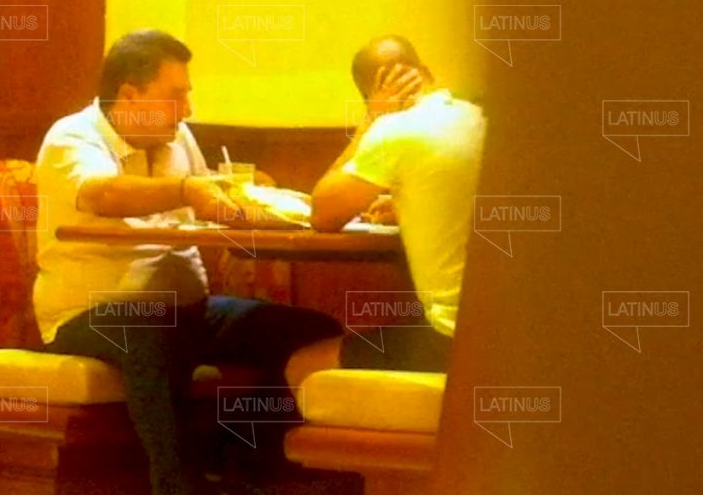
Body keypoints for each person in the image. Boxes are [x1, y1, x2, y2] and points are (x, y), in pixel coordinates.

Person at [33, 29, 341, 495]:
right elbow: (101, 194)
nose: (188, 109)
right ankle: (176, 486)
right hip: (87, 314)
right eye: (176, 96)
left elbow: (210, 197)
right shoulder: (72, 136)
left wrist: (250, 197)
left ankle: (234, 458)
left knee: (312, 331)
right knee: (151, 331)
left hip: (186, 312)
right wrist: (185, 191)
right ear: (129, 95)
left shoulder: (179, 137)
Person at [310, 34, 487, 373]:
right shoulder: (478, 116)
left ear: (370, 95)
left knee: (302, 364)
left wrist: (372, 120)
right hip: (515, 333)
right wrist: (408, 208)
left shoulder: (394, 129)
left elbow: (323, 214)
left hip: (452, 339)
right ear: (427, 73)